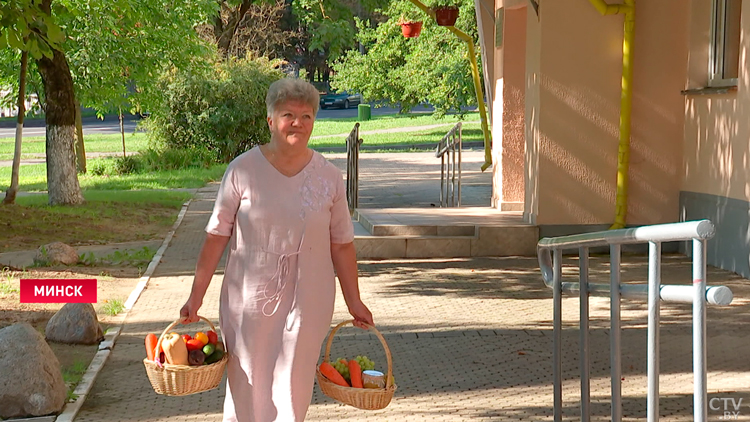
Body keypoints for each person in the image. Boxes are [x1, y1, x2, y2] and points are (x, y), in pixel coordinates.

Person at [179, 78, 374, 422]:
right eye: (288, 114)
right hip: (248, 300)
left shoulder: (328, 176)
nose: (297, 122)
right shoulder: (242, 170)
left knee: (293, 385)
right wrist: (196, 297)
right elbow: (215, 236)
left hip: (310, 299)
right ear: (270, 120)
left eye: (307, 116)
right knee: (247, 382)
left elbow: (342, 244)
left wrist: (354, 300)